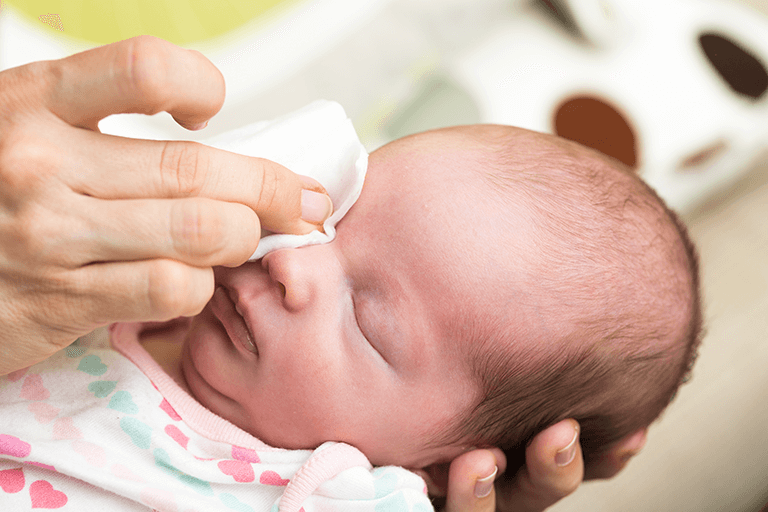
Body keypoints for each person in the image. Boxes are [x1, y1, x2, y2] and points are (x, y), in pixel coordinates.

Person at [0, 36, 650, 511]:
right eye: (332, 218)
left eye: (368, 318)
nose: (289, 259)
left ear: (435, 465)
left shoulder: (344, 496)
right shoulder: (131, 282)